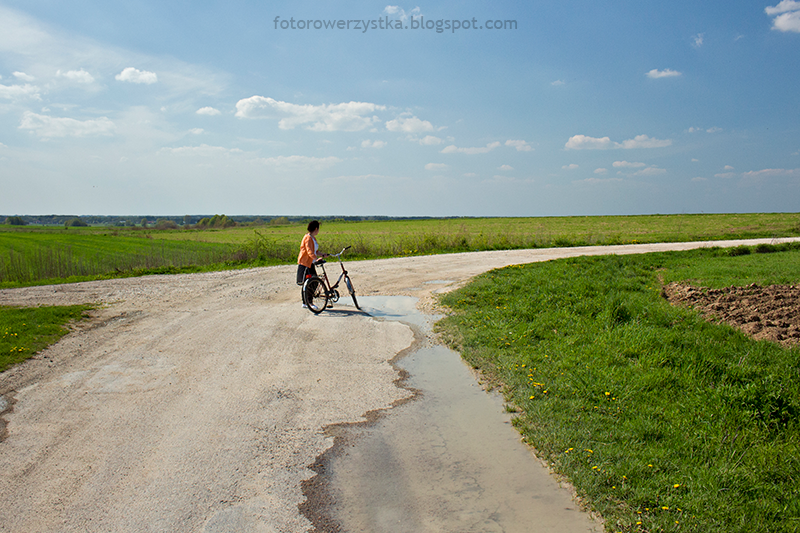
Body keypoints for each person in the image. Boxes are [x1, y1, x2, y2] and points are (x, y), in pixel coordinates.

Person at [297, 220, 327, 305]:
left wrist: (323, 255)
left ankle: (308, 302)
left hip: (311, 263)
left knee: (314, 283)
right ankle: (307, 302)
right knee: (308, 283)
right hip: (305, 263)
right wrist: (316, 259)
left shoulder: (313, 238)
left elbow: (315, 251)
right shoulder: (307, 238)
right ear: (316, 228)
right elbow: (309, 251)